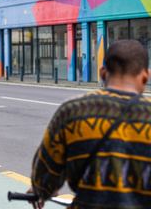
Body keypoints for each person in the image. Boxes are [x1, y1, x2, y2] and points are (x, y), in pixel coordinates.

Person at [30, 39, 151, 209]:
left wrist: (43, 190)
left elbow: (43, 178)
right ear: (146, 75)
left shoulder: (71, 111)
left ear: (102, 73)